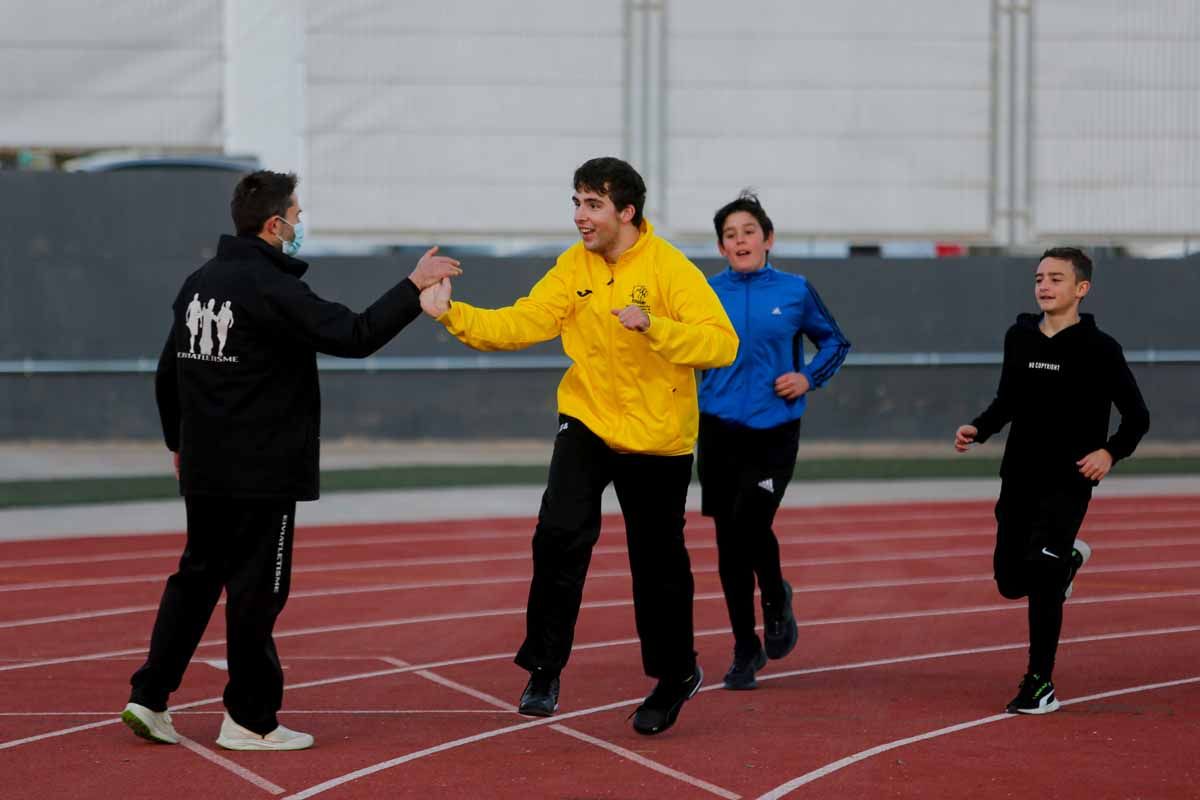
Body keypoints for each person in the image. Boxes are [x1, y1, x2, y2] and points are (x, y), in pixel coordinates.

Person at [121, 170, 461, 750]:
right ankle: (250, 720)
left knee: (197, 578)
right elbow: (353, 335)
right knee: (258, 591)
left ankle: (149, 696)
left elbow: (167, 371)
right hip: (262, 471)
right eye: (297, 216)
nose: (301, 225)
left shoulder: (199, 282)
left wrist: (179, 444)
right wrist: (413, 285)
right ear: (274, 224)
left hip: (206, 465)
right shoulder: (272, 287)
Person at [419, 157, 738, 735]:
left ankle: (674, 676)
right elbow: (525, 321)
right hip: (587, 418)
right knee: (559, 534)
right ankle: (544, 667)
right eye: (576, 202)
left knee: (657, 563)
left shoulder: (671, 270)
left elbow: (722, 345)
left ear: (627, 212)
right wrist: (453, 317)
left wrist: (656, 327)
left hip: (656, 436)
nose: (580, 217)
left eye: (593, 205)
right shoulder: (574, 266)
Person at [955, 246, 1149, 714]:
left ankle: (1039, 683)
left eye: (1056, 279)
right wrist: (979, 428)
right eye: (1040, 277)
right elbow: (1007, 400)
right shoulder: (1019, 337)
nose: (1044, 285)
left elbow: (1137, 416)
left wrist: (1109, 451)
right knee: (1008, 580)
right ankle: (1067, 565)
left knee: (1041, 578)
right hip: (1019, 475)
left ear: (1081, 289)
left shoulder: (1101, 348)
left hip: (1068, 483)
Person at [696, 191, 850, 690]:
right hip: (718, 427)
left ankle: (775, 599)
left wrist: (807, 377)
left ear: (768, 239)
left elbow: (835, 341)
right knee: (727, 540)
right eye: (730, 235)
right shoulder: (702, 292)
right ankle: (746, 647)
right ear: (721, 246)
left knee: (750, 521)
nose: (740, 240)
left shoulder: (795, 290)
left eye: (748, 232)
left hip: (774, 430)